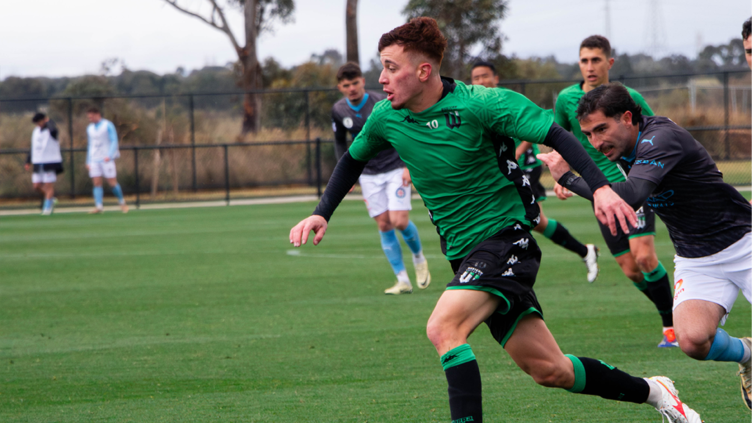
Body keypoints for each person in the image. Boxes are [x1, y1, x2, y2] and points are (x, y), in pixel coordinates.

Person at [291, 17, 700, 423]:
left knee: (443, 328)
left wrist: (602, 189)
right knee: (550, 369)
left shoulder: (481, 104)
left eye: (391, 68)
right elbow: (352, 159)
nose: (381, 78)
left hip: (506, 240)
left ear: (424, 70)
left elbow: (556, 134)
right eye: (381, 67)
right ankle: (655, 392)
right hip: (464, 254)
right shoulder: (385, 118)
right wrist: (320, 212)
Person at [540, 82, 752, 411]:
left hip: (744, 243)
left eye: (601, 130)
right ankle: (749, 356)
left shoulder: (658, 138)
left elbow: (632, 196)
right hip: (696, 258)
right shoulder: (625, 148)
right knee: (693, 341)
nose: (595, 143)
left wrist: (568, 179)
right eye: (588, 135)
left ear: (627, 118)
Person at [554, 35, 677, 348]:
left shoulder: (627, 96)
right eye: (584, 60)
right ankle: (672, 309)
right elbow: (559, 137)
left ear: (609, 63)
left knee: (645, 257)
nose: (590, 67)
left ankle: (672, 326)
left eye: (596, 60)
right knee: (631, 269)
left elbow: (653, 126)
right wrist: (560, 173)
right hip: (597, 191)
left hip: (632, 184)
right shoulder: (567, 99)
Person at [470, 61, 600, 283]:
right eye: (476, 78)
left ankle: (511, 267)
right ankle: (585, 251)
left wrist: (518, 152)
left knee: (528, 218)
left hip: (526, 165)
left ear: (496, 78)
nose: (481, 81)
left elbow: (534, 128)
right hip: (504, 167)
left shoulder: (505, 98)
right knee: (536, 221)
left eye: (485, 76)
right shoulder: (473, 103)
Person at [332, 62, 430, 295]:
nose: (352, 88)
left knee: (399, 220)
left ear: (363, 81)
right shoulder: (338, 110)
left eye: (355, 83)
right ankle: (402, 280)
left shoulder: (382, 102)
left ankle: (418, 257)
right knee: (384, 223)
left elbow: (407, 131)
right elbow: (339, 142)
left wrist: (408, 166)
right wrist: (346, 175)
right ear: (340, 87)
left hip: (395, 167)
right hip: (367, 174)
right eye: (347, 85)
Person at [85, 107, 128, 214]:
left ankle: (122, 203)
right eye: (89, 117)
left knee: (112, 182)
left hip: (106, 159)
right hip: (94, 159)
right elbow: (90, 145)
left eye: (91, 116)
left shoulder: (107, 125)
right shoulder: (89, 128)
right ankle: (99, 206)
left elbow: (114, 140)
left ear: (97, 114)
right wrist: (88, 161)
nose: (90, 119)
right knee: (96, 183)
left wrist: (109, 155)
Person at [25, 113, 63, 215]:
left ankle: (47, 208)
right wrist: (28, 161)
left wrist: (49, 121)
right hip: (38, 162)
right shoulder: (36, 131)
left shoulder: (51, 130)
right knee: (36, 185)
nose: (37, 125)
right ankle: (51, 199)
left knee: (48, 185)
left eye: (39, 122)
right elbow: (33, 147)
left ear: (44, 120)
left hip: (50, 162)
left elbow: (54, 131)